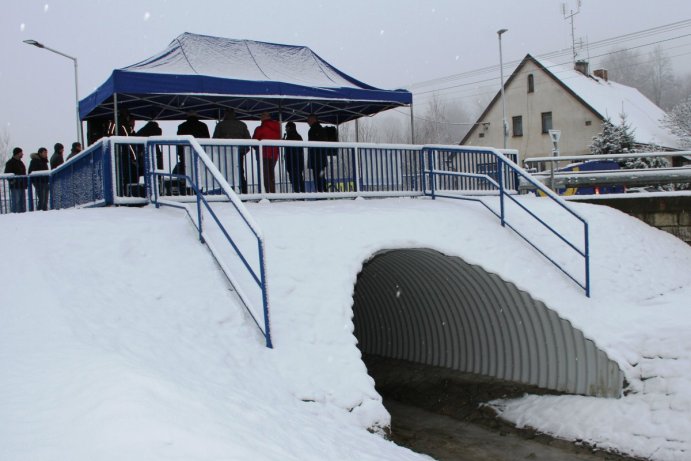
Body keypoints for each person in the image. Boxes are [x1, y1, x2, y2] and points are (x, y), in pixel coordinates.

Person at [213, 109, 251, 193]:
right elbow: (248, 139)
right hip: (239, 152)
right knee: (240, 172)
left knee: (225, 172)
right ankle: (244, 192)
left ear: (225, 115)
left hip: (224, 152)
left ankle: (228, 192)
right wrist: (243, 151)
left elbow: (214, 139)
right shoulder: (242, 124)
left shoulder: (220, 125)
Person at [252, 112, 281, 193]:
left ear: (265, 117)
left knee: (265, 175)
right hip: (274, 154)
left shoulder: (260, 128)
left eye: (261, 116)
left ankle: (267, 193)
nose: (260, 118)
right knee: (271, 174)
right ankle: (272, 192)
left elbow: (254, 141)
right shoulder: (277, 127)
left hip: (264, 154)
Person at [307, 114, 328, 192]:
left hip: (316, 159)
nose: (307, 122)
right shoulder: (320, 129)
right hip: (321, 159)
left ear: (313, 119)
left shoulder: (314, 129)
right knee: (321, 176)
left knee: (318, 177)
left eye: (309, 120)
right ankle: (323, 191)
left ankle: (321, 191)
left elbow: (313, 144)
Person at [283, 121, 305, 193]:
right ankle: (301, 194)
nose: (285, 129)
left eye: (286, 127)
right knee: (299, 179)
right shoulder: (298, 136)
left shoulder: (290, 137)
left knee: (294, 180)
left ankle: (298, 194)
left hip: (293, 162)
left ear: (289, 128)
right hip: (298, 162)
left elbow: (290, 150)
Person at [4, 147, 27, 213]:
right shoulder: (10, 162)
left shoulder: (20, 162)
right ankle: (15, 215)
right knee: (16, 201)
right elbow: (7, 174)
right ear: (17, 153)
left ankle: (22, 214)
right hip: (15, 186)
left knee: (22, 202)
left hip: (21, 185)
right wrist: (12, 181)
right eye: (21, 153)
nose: (22, 154)